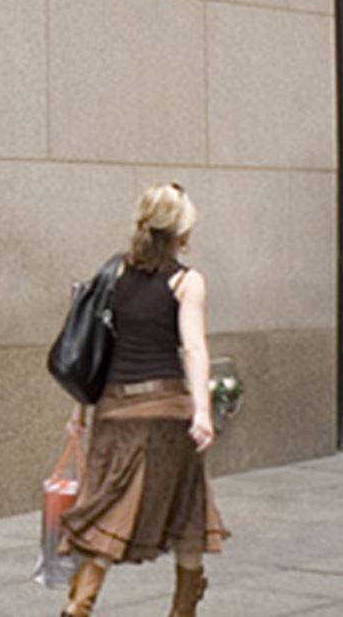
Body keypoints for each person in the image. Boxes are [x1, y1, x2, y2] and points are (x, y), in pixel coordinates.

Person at [59, 183, 227, 617]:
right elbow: (193, 349)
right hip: (168, 412)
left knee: (107, 512)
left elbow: (93, 349)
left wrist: (79, 412)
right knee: (189, 511)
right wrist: (203, 414)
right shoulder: (187, 281)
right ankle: (182, 610)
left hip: (113, 412)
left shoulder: (113, 275)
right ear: (182, 231)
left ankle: (79, 605)